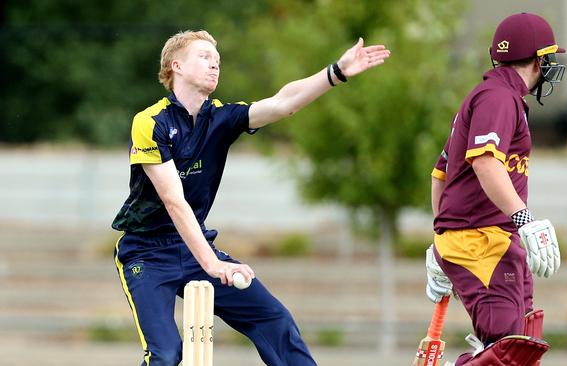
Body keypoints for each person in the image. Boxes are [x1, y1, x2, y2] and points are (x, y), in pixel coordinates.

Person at [111, 30, 390, 366]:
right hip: (147, 252)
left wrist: (336, 72)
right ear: (177, 66)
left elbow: (283, 103)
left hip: (193, 244)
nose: (215, 64)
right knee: (167, 354)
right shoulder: (150, 121)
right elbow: (174, 201)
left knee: (275, 321)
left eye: (217, 60)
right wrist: (212, 264)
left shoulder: (221, 118)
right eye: (204, 57)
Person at [425, 13, 564, 366]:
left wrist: (439, 237)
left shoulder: (494, 95)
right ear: (539, 59)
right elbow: (485, 163)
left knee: (523, 343)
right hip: (479, 242)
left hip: (491, 241)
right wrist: (525, 219)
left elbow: (441, 173)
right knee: (507, 349)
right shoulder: (498, 97)